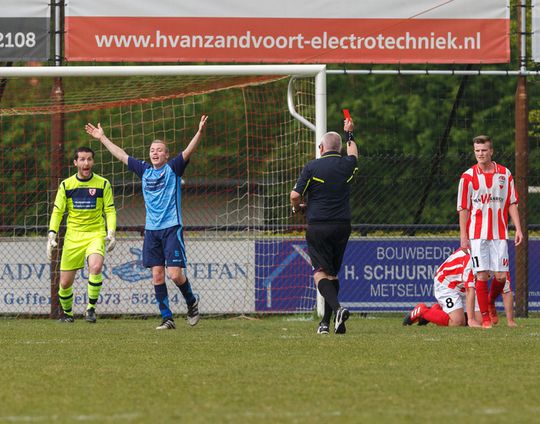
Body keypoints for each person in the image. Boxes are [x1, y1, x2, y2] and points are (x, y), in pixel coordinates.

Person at [85, 116, 208, 330]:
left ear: (166, 154)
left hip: (171, 228)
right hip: (151, 231)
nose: (155, 152)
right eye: (152, 149)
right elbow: (122, 155)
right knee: (157, 274)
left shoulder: (173, 168)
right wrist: (102, 138)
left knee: (175, 274)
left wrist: (199, 132)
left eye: (159, 149)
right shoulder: (144, 171)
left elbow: (188, 151)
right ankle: (167, 318)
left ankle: (191, 302)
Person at [290, 115, 358, 334]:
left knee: (320, 274)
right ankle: (326, 323)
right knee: (333, 275)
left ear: (321, 147)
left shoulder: (312, 167)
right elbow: (354, 154)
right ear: (338, 149)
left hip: (318, 226)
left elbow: (294, 195)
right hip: (342, 226)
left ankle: (337, 309)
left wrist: (297, 207)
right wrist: (350, 132)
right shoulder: (347, 165)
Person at [457, 135, 523, 328]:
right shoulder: (467, 177)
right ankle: (485, 319)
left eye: (484, 150)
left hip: (499, 234)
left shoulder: (504, 174)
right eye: (477, 150)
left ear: (491, 151)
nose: (480, 154)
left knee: (501, 277)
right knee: (482, 276)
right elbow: (463, 208)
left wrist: (518, 228)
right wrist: (463, 236)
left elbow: (512, 203)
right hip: (477, 236)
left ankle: (491, 301)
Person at [47, 146, 117, 323]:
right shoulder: (66, 185)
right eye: (82, 159)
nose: (86, 163)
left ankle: (90, 310)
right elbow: (57, 211)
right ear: (75, 162)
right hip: (73, 236)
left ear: (93, 162)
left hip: (95, 233)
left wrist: (111, 232)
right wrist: (51, 234)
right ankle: (68, 315)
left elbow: (109, 210)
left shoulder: (103, 184)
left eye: (89, 159)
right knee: (64, 283)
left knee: (95, 266)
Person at [403, 248, 474, 327]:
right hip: (447, 283)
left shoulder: (486, 251)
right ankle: (423, 311)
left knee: (475, 320)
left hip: (462, 286)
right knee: (458, 322)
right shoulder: (475, 252)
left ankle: (436, 310)